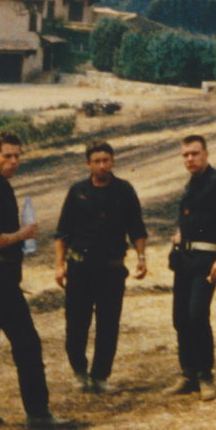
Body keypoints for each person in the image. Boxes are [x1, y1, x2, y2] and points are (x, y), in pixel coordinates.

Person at [0, 132, 71, 430]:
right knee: (27, 344)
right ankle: (38, 414)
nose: (13, 161)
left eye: (17, 156)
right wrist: (23, 234)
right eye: (7, 156)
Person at [54, 140, 148, 394]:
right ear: (88, 164)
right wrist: (59, 265)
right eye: (96, 161)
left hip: (112, 270)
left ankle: (100, 377)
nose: (102, 165)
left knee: (108, 326)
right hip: (80, 269)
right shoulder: (77, 191)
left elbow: (137, 229)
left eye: (106, 160)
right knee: (76, 326)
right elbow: (62, 233)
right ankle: (80, 371)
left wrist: (141, 258)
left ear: (113, 161)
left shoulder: (124, 190)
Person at [162, 135, 216, 401]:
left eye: (195, 153)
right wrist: (179, 236)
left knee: (197, 316)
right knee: (180, 318)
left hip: (206, 262)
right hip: (184, 261)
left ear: (206, 154)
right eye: (185, 155)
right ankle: (189, 375)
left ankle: (206, 376)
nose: (190, 159)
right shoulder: (191, 185)